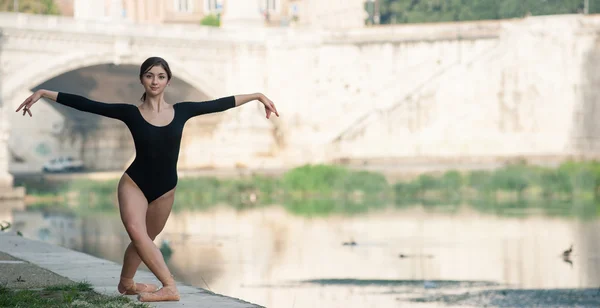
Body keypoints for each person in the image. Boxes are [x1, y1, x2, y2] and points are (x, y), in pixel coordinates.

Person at [15, 56, 279, 302]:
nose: (155, 81)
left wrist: (257, 96)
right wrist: (43, 92)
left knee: (144, 239)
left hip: (166, 189)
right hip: (134, 184)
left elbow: (220, 103)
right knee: (138, 234)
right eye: (150, 76)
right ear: (142, 79)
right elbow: (88, 104)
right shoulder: (131, 113)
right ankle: (170, 287)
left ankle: (127, 284)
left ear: (168, 81)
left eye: (161, 76)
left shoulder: (183, 110)